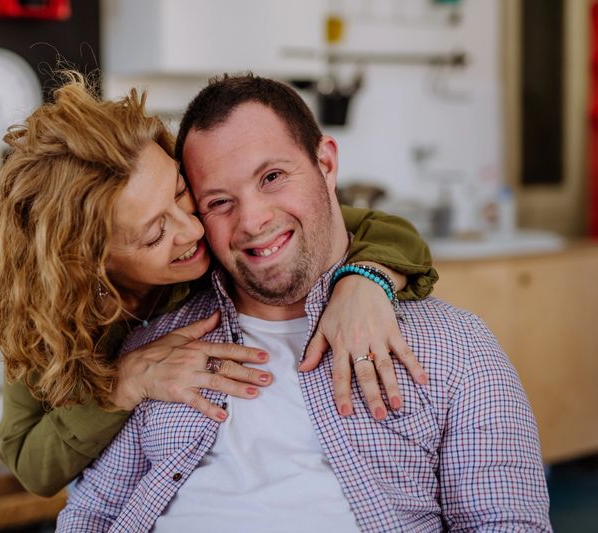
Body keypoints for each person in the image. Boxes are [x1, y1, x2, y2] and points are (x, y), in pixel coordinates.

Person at [57, 73, 551, 532]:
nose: (252, 219)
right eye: (218, 201)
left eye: (272, 176)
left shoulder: (456, 348)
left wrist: (368, 277)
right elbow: (91, 513)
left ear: (327, 163)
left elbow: (505, 520)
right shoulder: (155, 351)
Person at [0, 71, 439, 498]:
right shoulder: (48, 313)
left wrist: (366, 280)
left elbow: (381, 229)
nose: (193, 231)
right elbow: (29, 465)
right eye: (156, 233)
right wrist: (124, 384)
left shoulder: (220, 233)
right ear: (89, 263)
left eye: (180, 191)